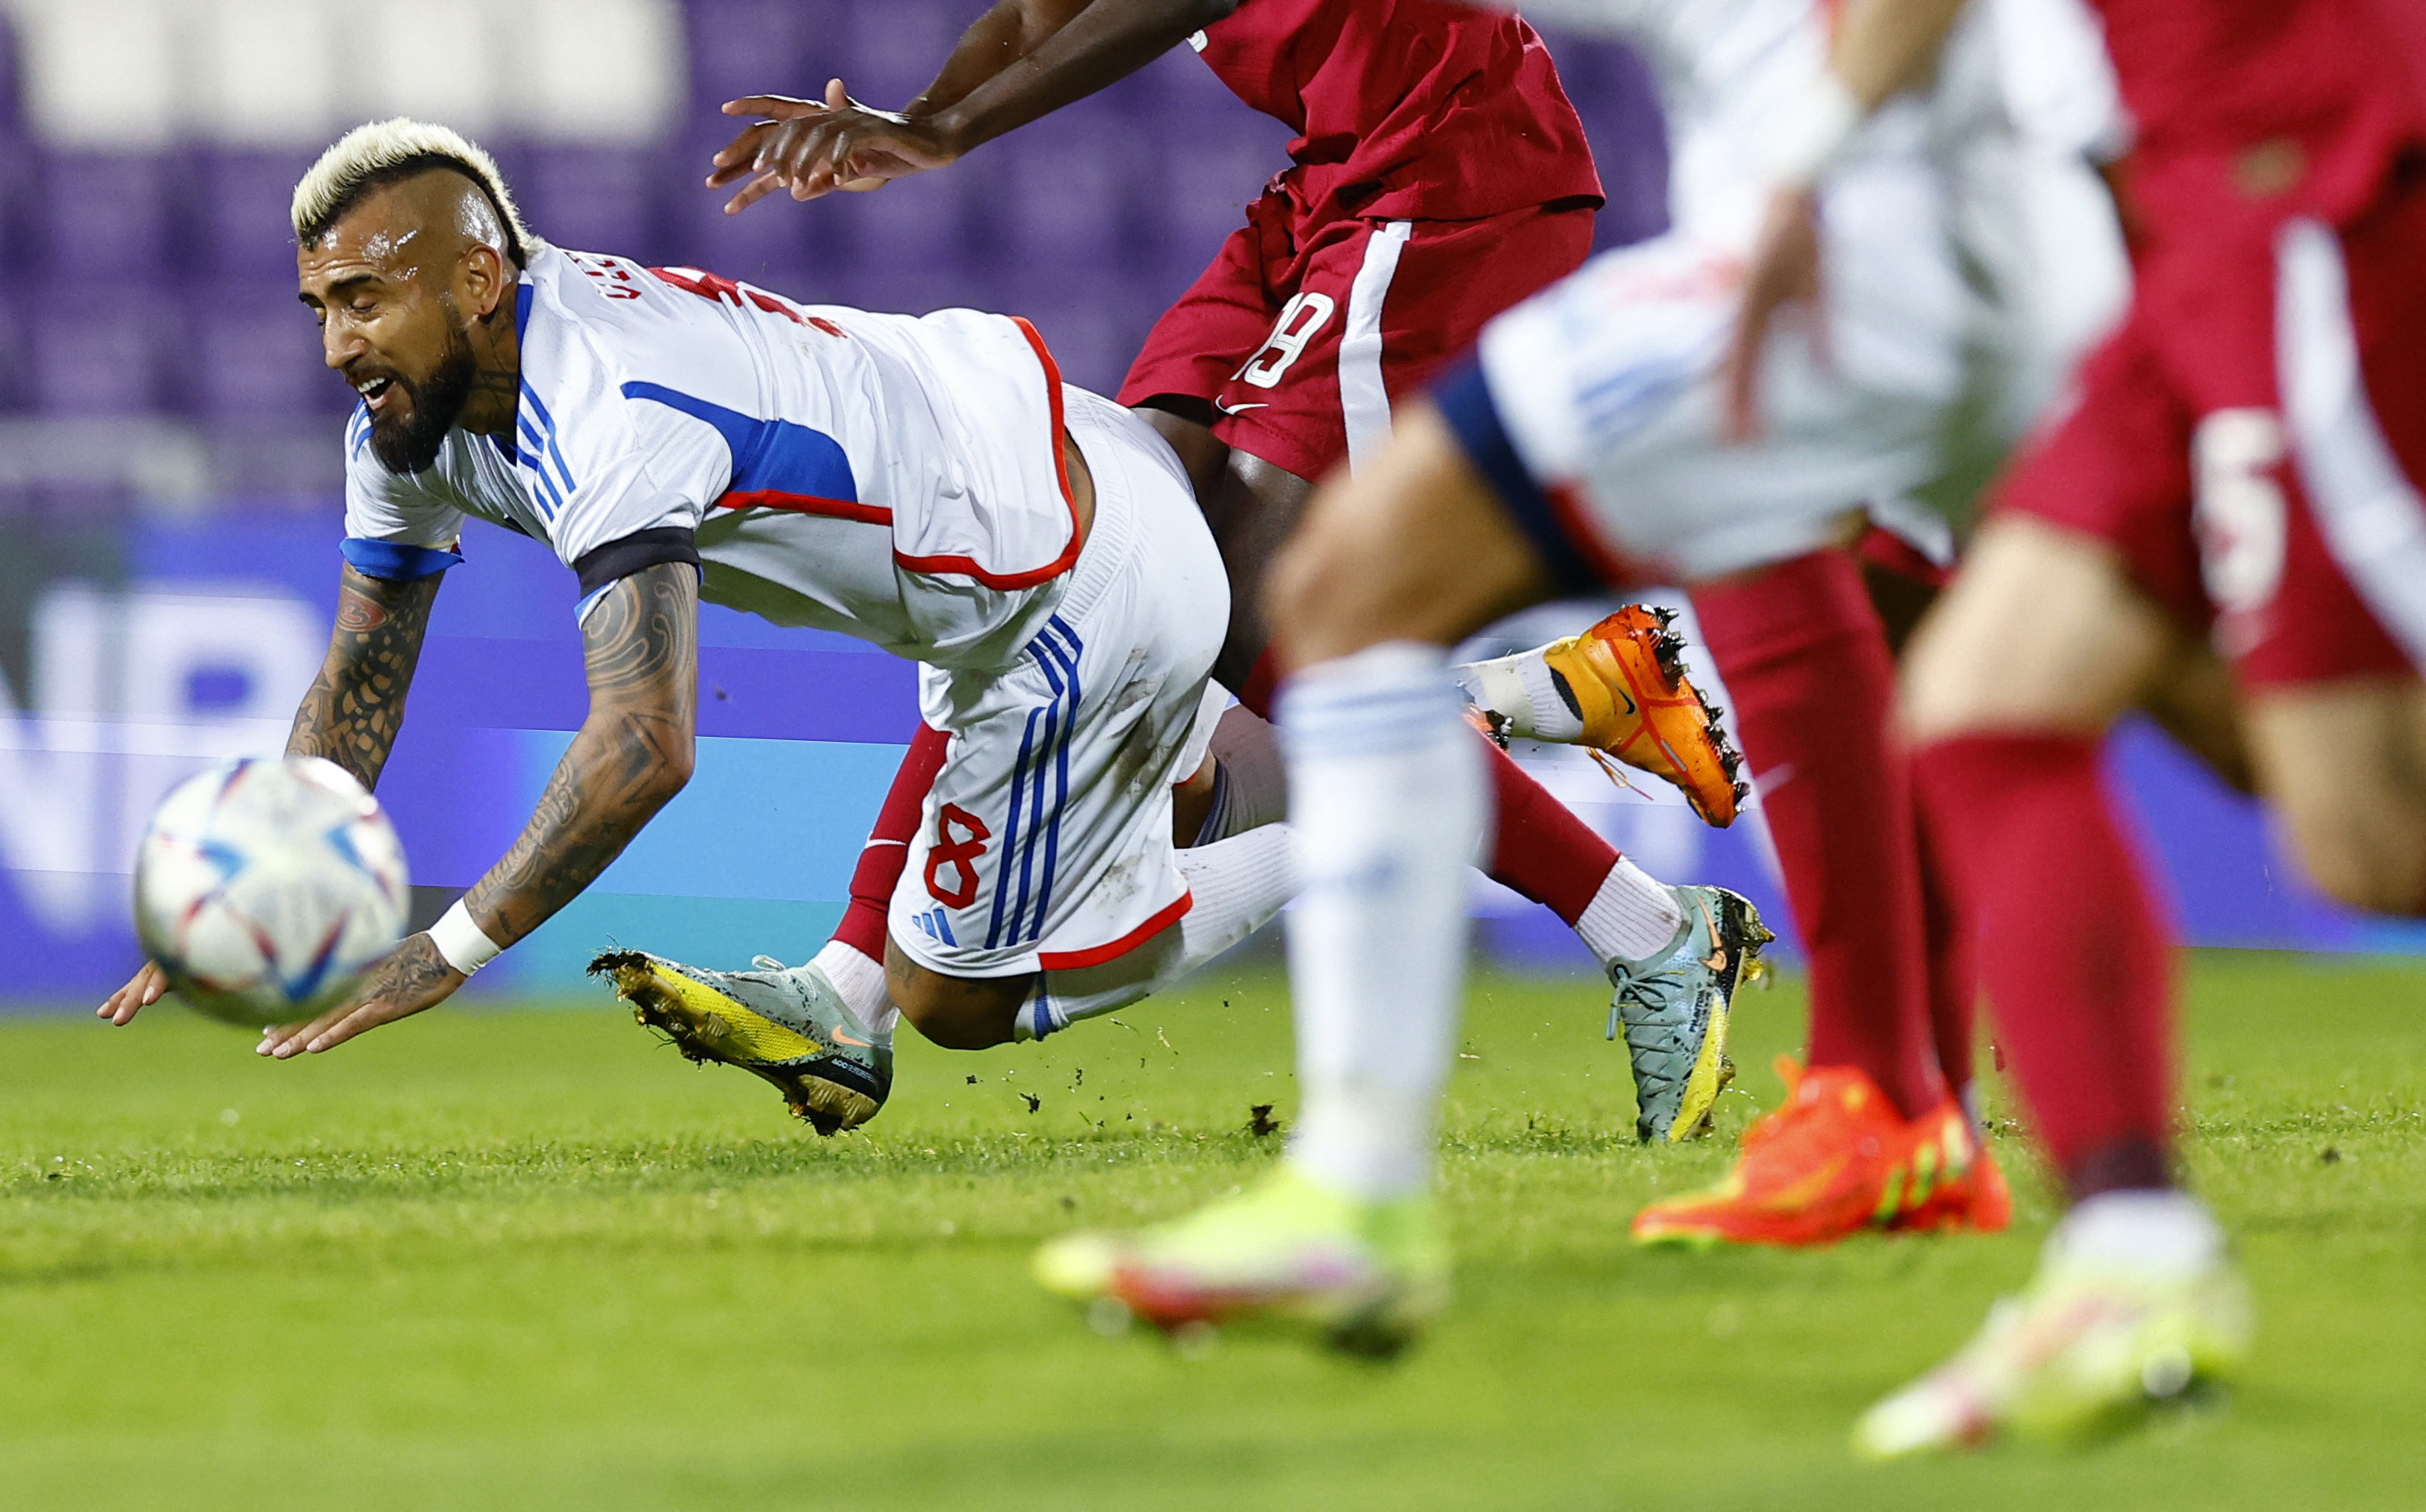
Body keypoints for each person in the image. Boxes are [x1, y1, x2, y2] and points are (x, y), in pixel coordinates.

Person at [1026, 0, 2123, 1348]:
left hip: (1852, 233)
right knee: (1935, 658)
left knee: (1343, 592)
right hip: (1996, 228)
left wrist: (1807, 159)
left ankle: (1354, 1195)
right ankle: (1930, 1125)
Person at [685, 0, 1770, 1142]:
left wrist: (951, 128)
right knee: (1065, 551)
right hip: (1334, 180)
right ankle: (849, 991)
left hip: (1448, 178)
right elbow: (1030, 14)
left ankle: (1647, 932)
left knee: (1266, 624)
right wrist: (919, 113)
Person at [94, 119, 1294, 1123]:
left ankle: (1365, 829)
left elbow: (644, 747)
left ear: (474, 281)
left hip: (1067, 574)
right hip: (1023, 477)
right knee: (1163, 802)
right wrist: (250, 883)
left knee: (956, 1000)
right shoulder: (415, 418)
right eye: (318, 307)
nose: (334, 344)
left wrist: (443, 949)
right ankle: (1332, 747)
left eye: (361, 300)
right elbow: (363, 679)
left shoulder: (607, 409)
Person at [1713, 0, 2426, 1455]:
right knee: (1983, 712)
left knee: (2374, 844)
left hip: (2317, 184)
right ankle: (2129, 1264)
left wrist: (1801, 165)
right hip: (2191, 215)